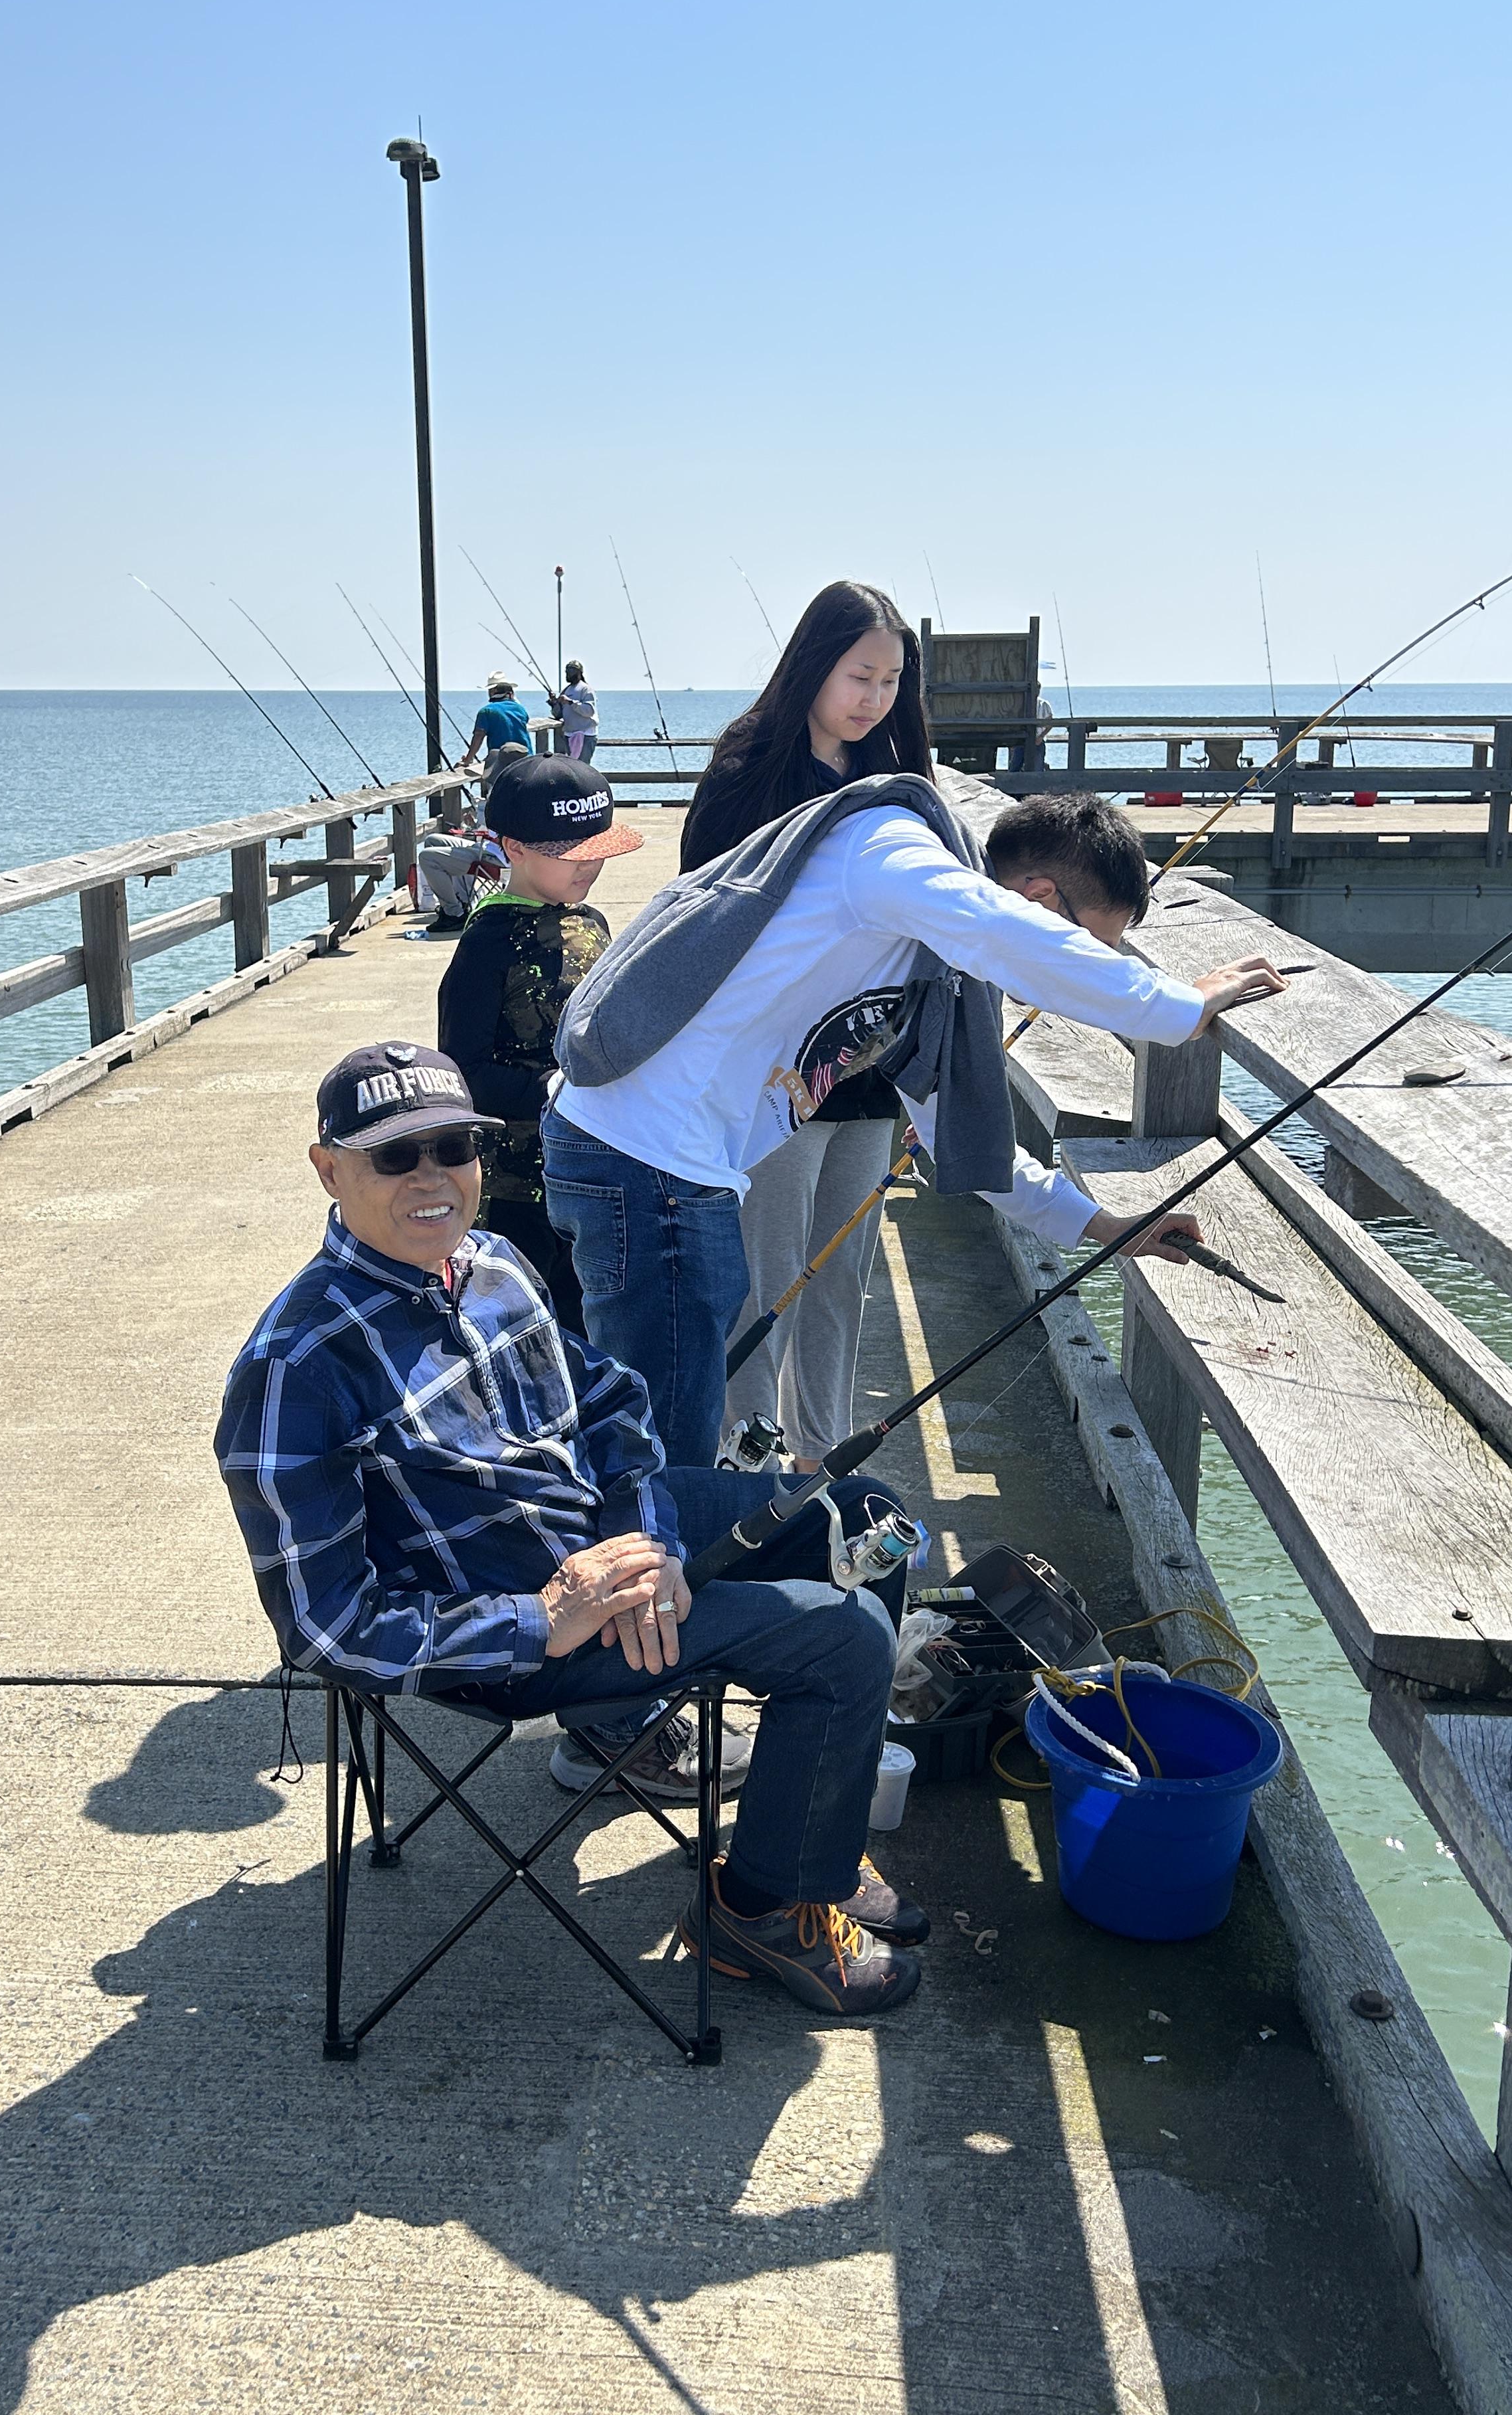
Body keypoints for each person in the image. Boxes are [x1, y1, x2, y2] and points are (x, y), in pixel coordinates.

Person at [215, 1040, 925, 2015]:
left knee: (868, 1513)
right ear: (328, 1170)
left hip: (606, 1545)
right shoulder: (293, 1366)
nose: (432, 1177)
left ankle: (811, 1839)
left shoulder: (496, 1262)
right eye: (394, 1156)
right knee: (844, 1635)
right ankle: (760, 1911)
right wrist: (543, 1620)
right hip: (511, 1637)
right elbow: (324, 1627)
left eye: (453, 1147)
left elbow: (611, 1402)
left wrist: (644, 1539)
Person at [544, 767, 1288, 1468]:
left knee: (661, 1437)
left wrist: (1107, 1227)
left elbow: (963, 1141)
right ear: (1039, 901)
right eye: (1093, 944)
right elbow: (1005, 934)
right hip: (645, 1160)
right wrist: (1179, 1008)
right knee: (661, 1454)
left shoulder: (931, 968)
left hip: (666, 1166)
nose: (1087, 963)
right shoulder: (889, 849)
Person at [680, 582, 930, 1471]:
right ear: (815, 664)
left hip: (868, 1071)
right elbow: (702, 920)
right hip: (774, 1073)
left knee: (842, 1273)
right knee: (769, 1274)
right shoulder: (747, 771)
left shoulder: (889, 779)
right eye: (860, 676)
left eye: (892, 681)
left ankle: (822, 1455)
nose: (875, 699)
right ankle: (747, 1458)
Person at [436, 757, 644, 1332]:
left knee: (589, 1321)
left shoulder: (591, 920)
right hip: (515, 1189)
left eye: (599, 849)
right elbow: (463, 1072)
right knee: (517, 1323)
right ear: (514, 848)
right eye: (570, 853)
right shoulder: (487, 944)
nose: (589, 865)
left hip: (592, 1167)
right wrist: (555, 1088)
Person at [465, 676, 534, 782]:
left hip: (501, 763)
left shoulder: (486, 711)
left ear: (493, 691)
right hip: (527, 760)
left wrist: (468, 760)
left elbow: (478, 737)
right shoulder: (521, 709)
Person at [555, 660, 598, 761]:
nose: (568, 673)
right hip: (569, 734)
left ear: (579, 673)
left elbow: (589, 711)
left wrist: (571, 702)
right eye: (567, 671)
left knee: (582, 766)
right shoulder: (566, 690)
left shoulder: (586, 689)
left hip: (585, 734)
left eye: (571, 671)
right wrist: (554, 704)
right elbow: (558, 715)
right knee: (572, 766)